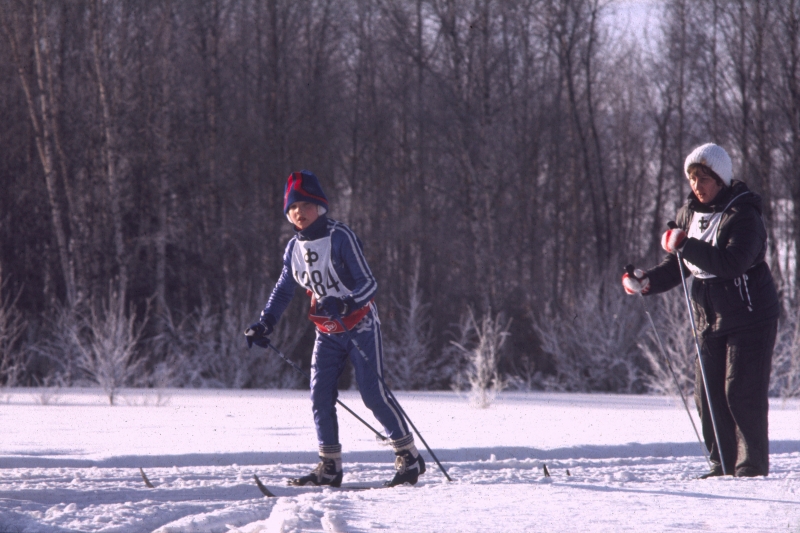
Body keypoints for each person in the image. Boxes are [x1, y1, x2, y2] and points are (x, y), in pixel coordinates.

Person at [245, 170, 425, 487]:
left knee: (372, 394)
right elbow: (283, 290)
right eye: (292, 208)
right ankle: (329, 467)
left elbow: (369, 283)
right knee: (319, 397)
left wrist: (347, 303)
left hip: (360, 325)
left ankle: (409, 457)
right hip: (326, 331)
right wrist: (265, 323)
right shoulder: (293, 249)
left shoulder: (340, 236)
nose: (298, 212)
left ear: (320, 206)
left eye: (304, 205)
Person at [622, 143, 779, 478]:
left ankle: (750, 467)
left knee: (739, 392)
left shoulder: (744, 215)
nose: (697, 184)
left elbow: (731, 263)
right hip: (709, 316)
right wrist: (645, 281)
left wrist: (685, 244)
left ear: (720, 179)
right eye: (692, 177)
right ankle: (721, 463)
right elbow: (678, 265)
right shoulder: (688, 215)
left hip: (751, 315)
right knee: (706, 394)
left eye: (704, 177)